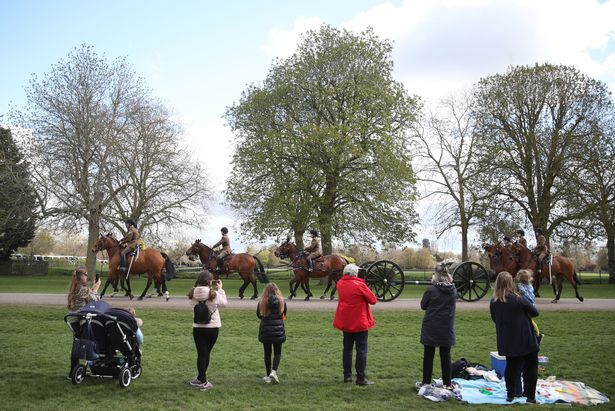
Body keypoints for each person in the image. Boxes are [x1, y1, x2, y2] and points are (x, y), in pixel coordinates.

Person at [490, 271, 540, 403]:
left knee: (511, 367)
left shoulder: (494, 302)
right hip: (525, 338)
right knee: (530, 366)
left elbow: (495, 319)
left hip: (507, 339)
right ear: (511, 283)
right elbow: (535, 312)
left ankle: (510, 394)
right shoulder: (518, 299)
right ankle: (530, 397)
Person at [333, 263, 377, 386]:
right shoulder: (360, 285)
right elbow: (373, 300)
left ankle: (347, 376)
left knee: (347, 349)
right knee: (361, 349)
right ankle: (360, 377)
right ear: (355, 273)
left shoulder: (340, 284)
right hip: (359, 321)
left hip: (346, 321)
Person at [187, 270, 228, 391]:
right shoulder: (214, 293)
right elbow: (224, 304)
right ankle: (204, 381)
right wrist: (220, 290)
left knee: (202, 353)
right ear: (210, 282)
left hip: (197, 327)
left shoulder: (192, 293)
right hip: (212, 327)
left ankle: (200, 378)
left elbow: (191, 304)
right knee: (205, 353)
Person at [418, 264, 457, 390]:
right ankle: (448, 383)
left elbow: (423, 305)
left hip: (432, 325)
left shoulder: (431, 290)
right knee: (446, 356)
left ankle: (426, 382)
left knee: (429, 355)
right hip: (446, 326)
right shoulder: (453, 290)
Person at [256, 283, 287, 384]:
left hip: (266, 330)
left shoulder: (262, 302)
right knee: (277, 352)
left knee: (267, 353)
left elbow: (259, 315)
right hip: (278, 330)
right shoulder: (282, 301)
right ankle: (273, 371)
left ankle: (268, 374)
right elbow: (284, 314)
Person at [517, 270, 542, 342]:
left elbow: (522, 293)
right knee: (530, 320)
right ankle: (536, 333)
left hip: (526, 304)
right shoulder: (530, 286)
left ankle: (536, 334)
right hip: (532, 304)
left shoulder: (520, 286)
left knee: (528, 321)